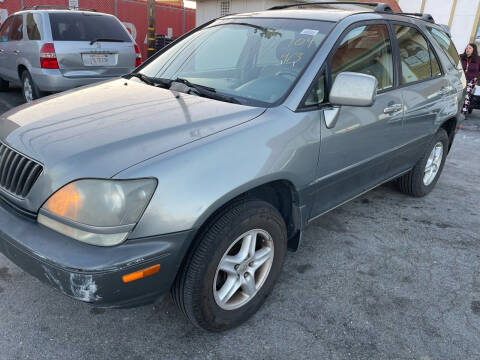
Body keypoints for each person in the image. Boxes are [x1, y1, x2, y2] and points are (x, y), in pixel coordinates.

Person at [460, 43, 480, 115]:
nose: (467, 49)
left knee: (466, 95)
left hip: (472, 80)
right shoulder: (461, 57)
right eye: (467, 48)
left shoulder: (478, 59)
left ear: (473, 50)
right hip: (461, 79)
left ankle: (463, 114)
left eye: (470, 48)